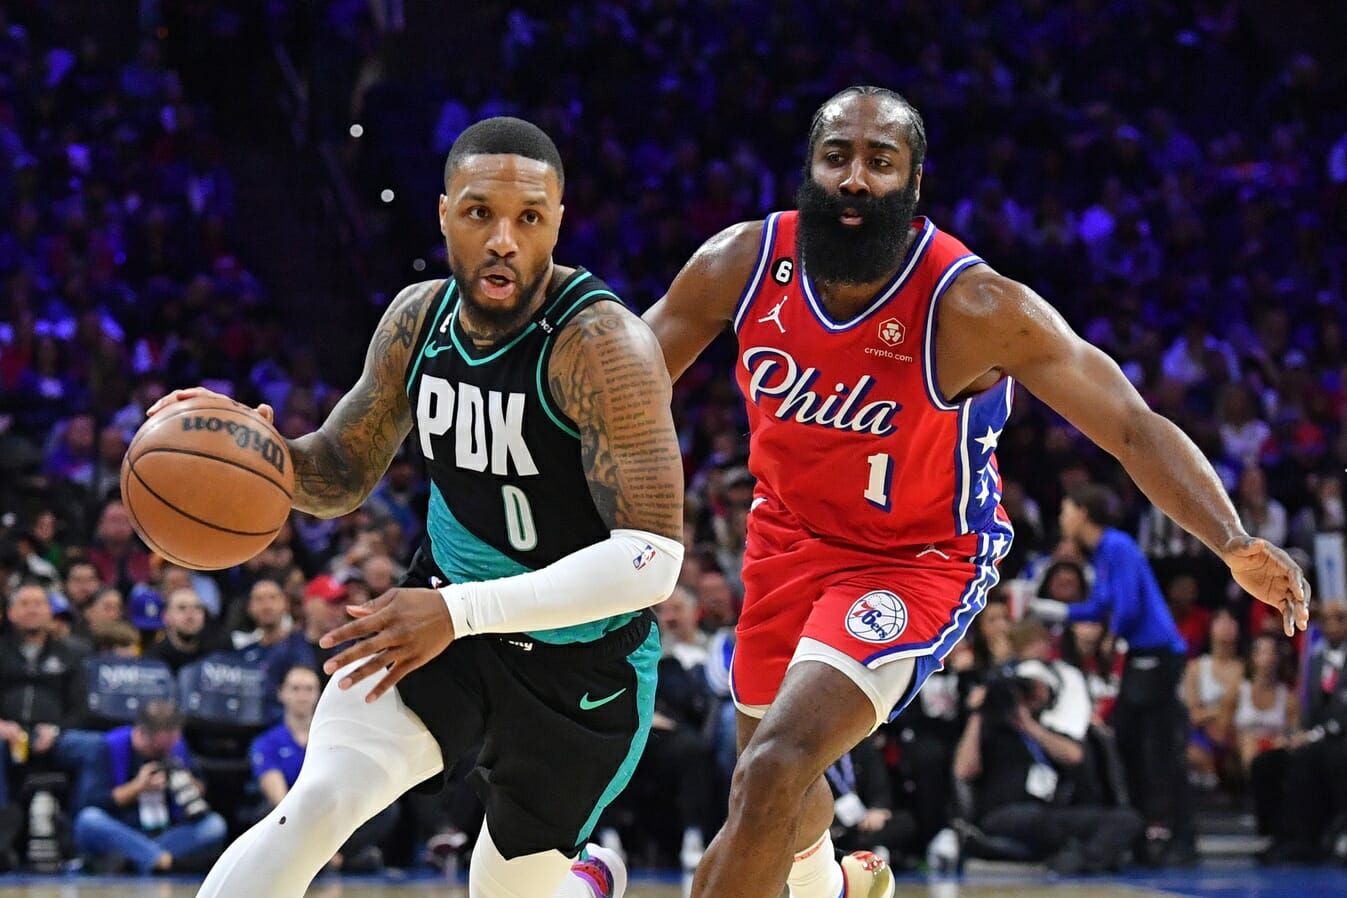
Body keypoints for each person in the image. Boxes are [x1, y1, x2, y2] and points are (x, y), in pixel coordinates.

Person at [641, 85, 1310, 898]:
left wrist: (1230, 540)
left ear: (914, 181)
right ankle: (838, 887)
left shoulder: (976, 306)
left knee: (773, 766)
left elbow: (1131, 426)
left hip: (913, 562)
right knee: (771, 777)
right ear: (807, 173)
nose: (854, 178)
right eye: (835, 158)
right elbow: (625, 383)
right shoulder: (740, 264)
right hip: (784, 539)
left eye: (879, 162)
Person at [148, 116, 685, 898]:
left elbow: (652, 562)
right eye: (479, 214)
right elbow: (336, 468)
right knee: (320, 806)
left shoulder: (604, 346)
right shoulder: (415, 321)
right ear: (443, 215)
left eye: (528, 218)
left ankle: (587, 882)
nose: (503, 239)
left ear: (557, 223)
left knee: (507, 891)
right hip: (436, 637)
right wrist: (258, 458)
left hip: (583, 672)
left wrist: (460, 611)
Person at [1037, 485, 1196, 861]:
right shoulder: (1106, 551)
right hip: (1144, 656)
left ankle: (1180, 839)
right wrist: (1055, 611)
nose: (1062, 519)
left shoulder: (1117, 546)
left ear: (1082, 512)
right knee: (1128, 746)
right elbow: (1103, 604)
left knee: (1159, 753)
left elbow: (1124, 605)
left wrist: (1110, 635)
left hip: (1156, 656)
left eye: (1065, 510)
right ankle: (1138, 835)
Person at [248, 666, 396, 873]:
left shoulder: (335, 736)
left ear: (319, 694)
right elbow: (279, 798)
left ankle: (329, 860)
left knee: (384, 806)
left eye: (309, 689)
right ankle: (336, 861)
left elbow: (347, 785)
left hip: (330, 815)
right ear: (282, 693)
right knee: (271, 815)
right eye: (296, 689)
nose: (302, 696)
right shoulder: (267, 742)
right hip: (291, 816)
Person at [73, 700, 227, 874]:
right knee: (88, 820)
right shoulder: (108, 746)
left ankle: (139, 859)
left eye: (171, 744)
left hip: (163, 836)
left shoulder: (176, 748)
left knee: (214, 825)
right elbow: (90, 801)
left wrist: (186, 782)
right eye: (159, 748)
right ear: (141, 733)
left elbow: (201, 789)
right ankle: (163, 862)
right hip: (121, 831)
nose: (166, 751)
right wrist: (138, 787)